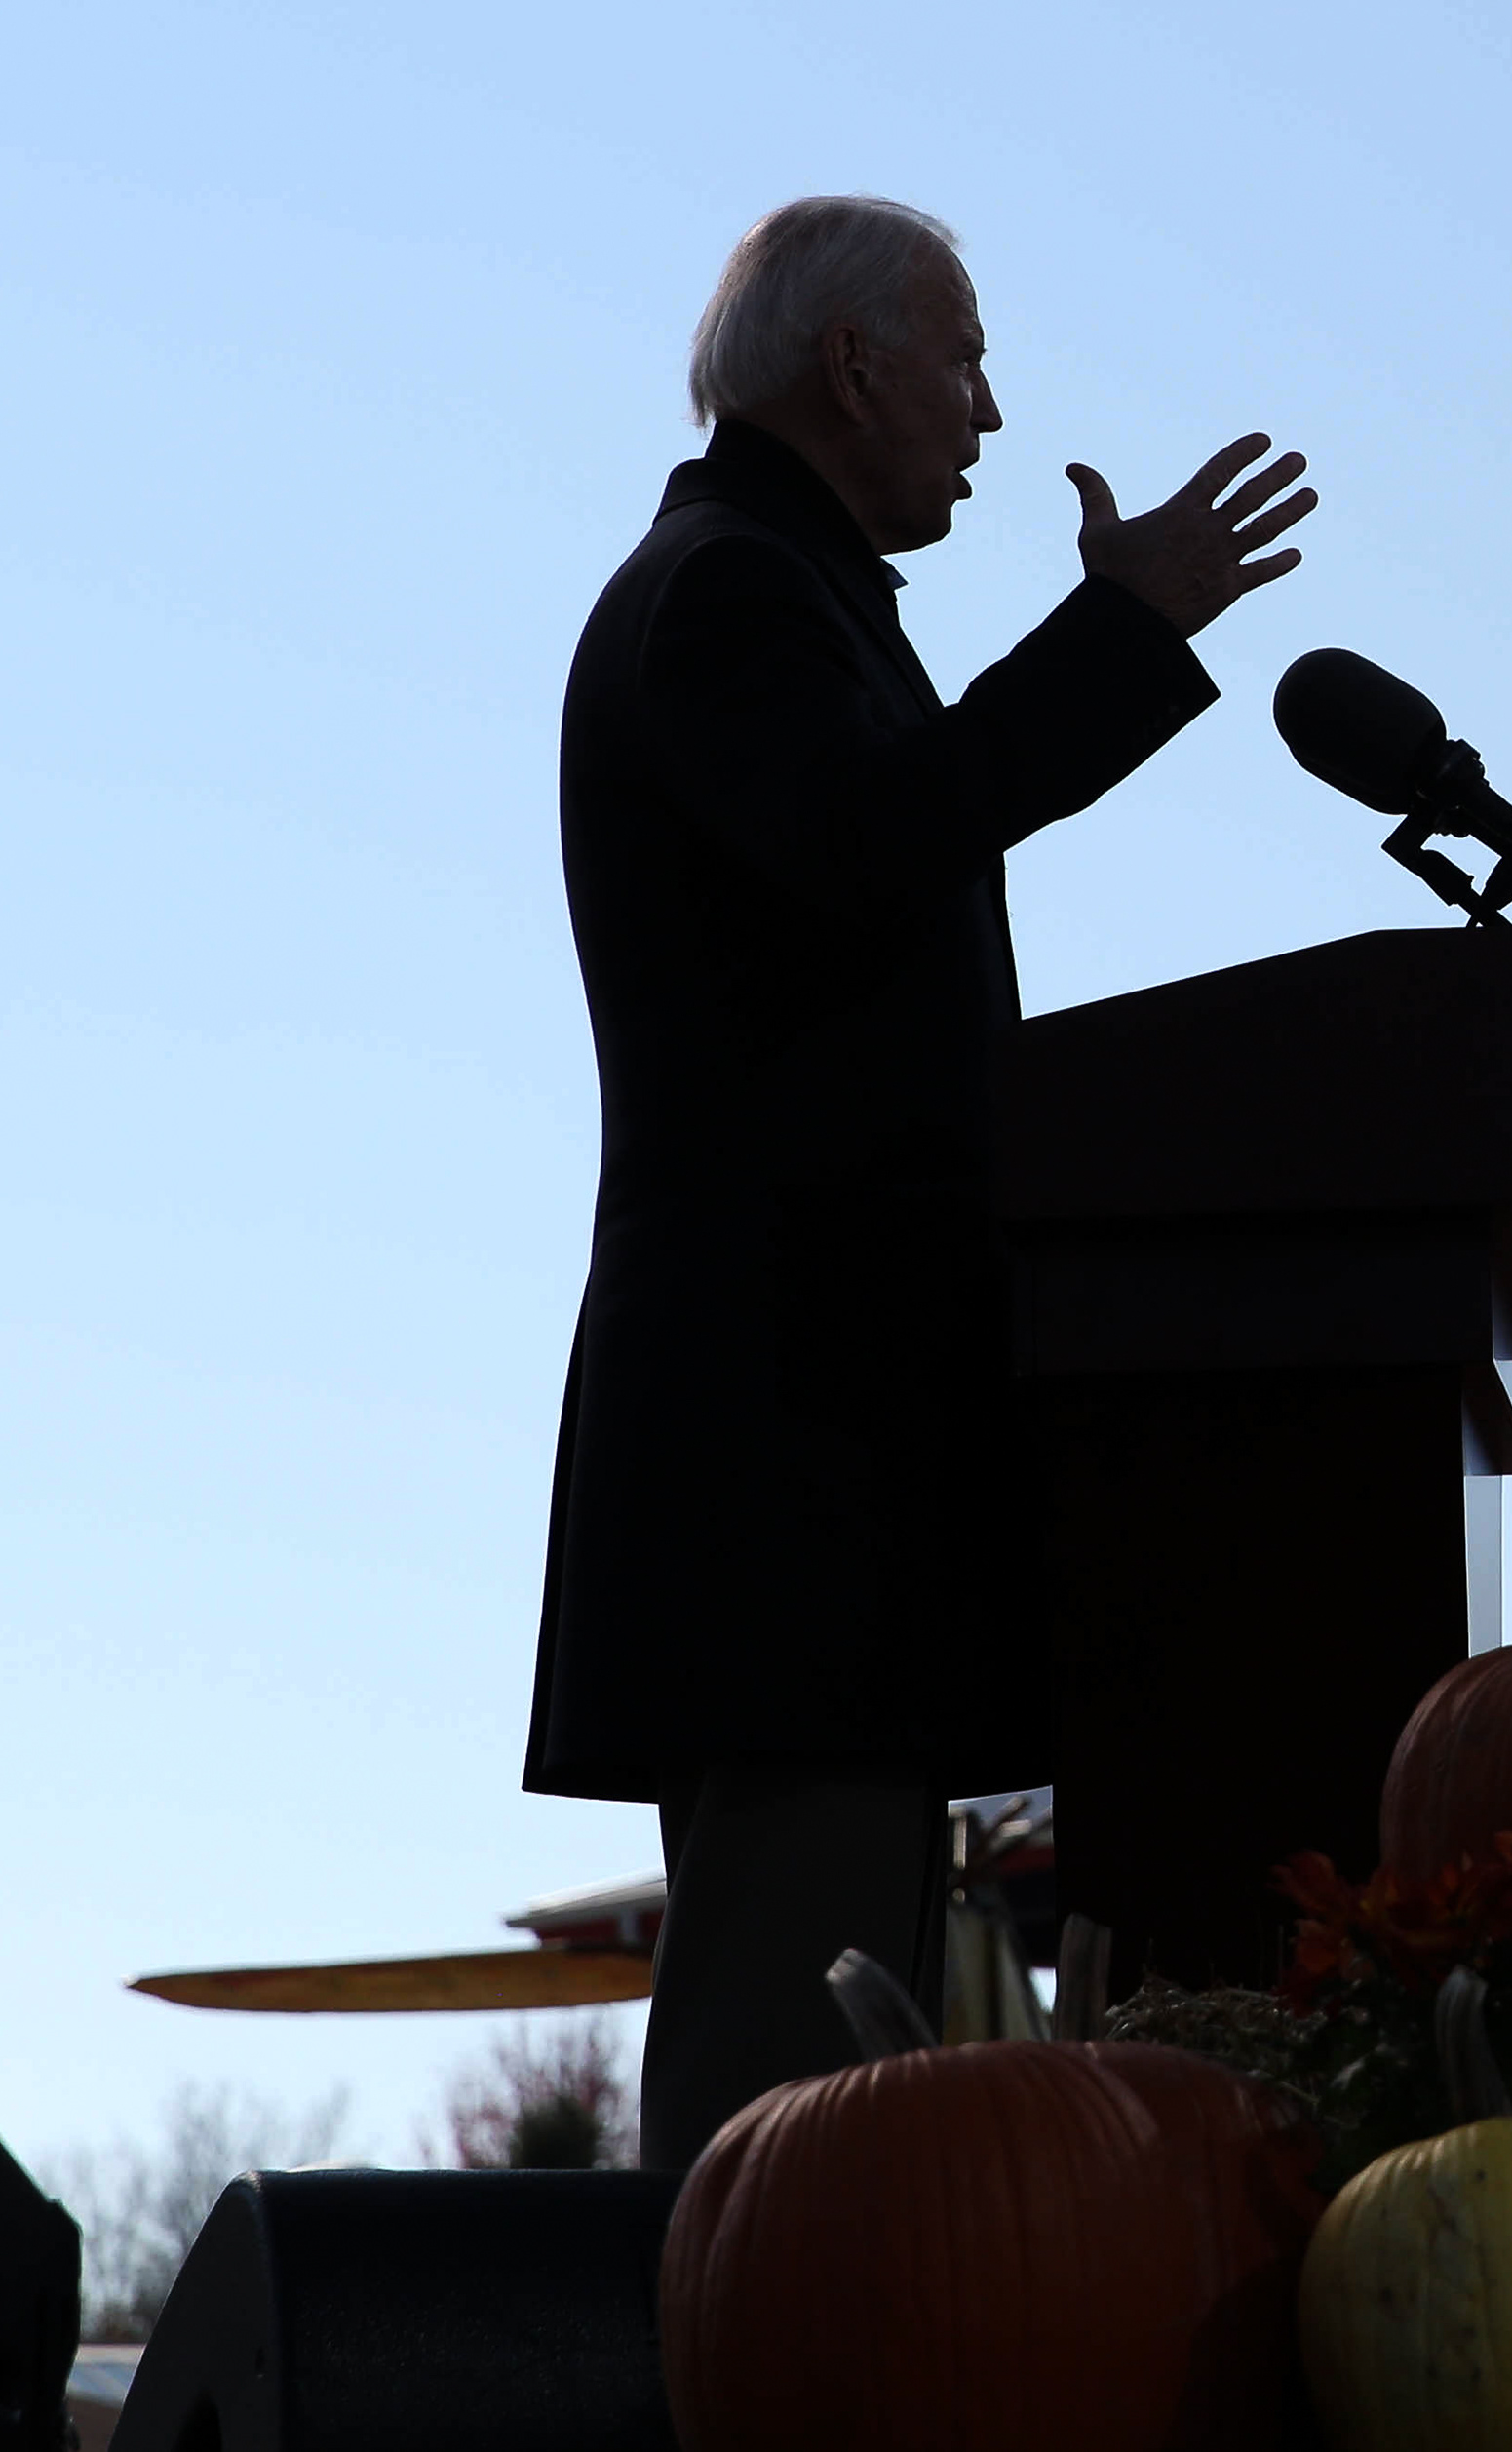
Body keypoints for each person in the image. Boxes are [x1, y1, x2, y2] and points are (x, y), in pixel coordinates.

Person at [523, 194, 1315, 2170]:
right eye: (958, 357)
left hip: (825, 1480)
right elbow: (883, 835)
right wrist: (1123, 633)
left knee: (825, 2095)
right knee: (773, 2125)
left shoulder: (784, 601)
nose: (987, 407)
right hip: (783, 1468)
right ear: (852, 366)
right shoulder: (719, 596)